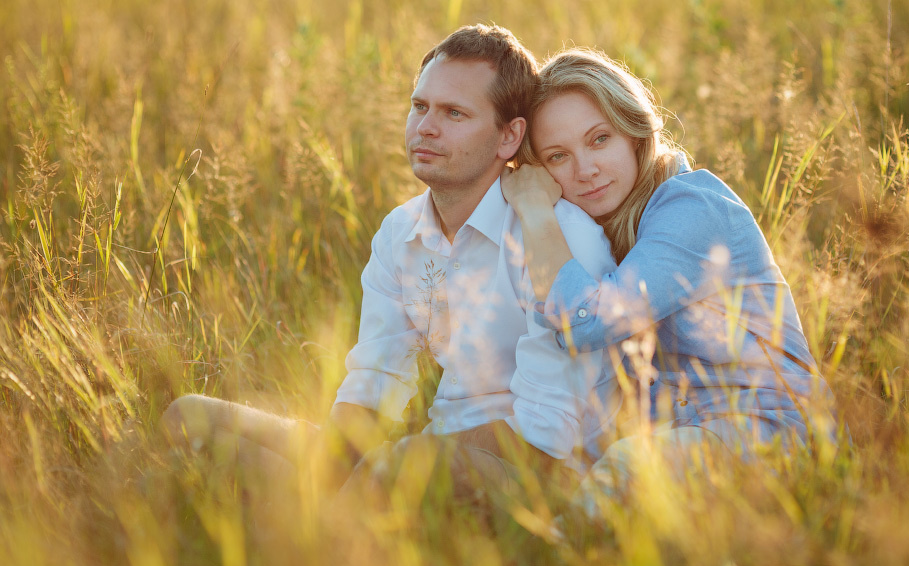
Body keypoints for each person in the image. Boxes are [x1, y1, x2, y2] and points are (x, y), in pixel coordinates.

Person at [161, 26, 619, 508]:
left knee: (404, 465)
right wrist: (339, 463)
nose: (426, 127)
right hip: (420, 456)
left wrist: (397, 460)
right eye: (420, 106)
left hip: (541, 480)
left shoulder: (554, 237)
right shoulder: (400, 232)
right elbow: (376, 380)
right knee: (188, 416)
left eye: (454, 113)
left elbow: (544, 437)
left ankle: (315, 530)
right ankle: (321, 517)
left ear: (510, 136)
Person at [500, 48, 836, 505]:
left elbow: (587, 324)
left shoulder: (692, 207)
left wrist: (535, 209)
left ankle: (549, 559)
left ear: (635, 132)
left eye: (600, 139)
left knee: (622, 474)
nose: (586, 169)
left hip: (771, 433)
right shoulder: (605, 231)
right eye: (559, 156)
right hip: (682, 437)